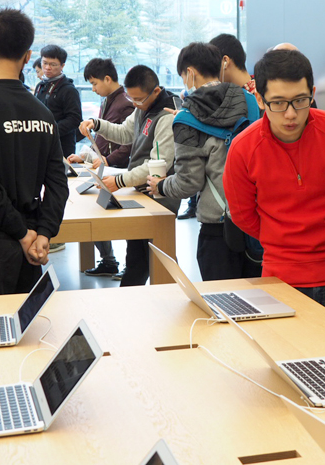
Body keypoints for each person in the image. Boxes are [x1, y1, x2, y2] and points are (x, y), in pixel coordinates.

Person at [223, 49, 325, 331]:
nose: (291, 114)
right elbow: (243, 215)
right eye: (279, 103)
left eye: (300, 101)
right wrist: (284, 240)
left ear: (313, 93)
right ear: (259, 99)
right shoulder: (243, 149)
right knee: (288, 365)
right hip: (281, 278)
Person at [0, 8, 68, 297]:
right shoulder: (43, 114)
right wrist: (43, 233)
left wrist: (22, 233)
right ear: (28, 57)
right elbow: (58, 184)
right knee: (25, 333)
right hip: (30, 243)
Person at [146, 42, 261, 281]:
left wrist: (160, 185)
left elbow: (188, 183)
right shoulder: (251, 102)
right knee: (260, 304)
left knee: (225, 305)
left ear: (190, 73)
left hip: (219, 229)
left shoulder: (186, 119)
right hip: (257, 222)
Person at [79, 65, 180, 286]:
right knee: (138, 257)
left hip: (161, 197)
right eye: (131, 98)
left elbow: (157, 165)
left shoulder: (168, 115)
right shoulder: (143, 106)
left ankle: (171, 300)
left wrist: (120, 180)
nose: (134, 104)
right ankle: (135, 298)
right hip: (142, 191)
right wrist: (97, 124)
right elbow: (125, 132)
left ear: (155, 91)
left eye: (138, 100)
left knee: (160, 256)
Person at [68, 57, 134, 278]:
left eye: (95, 83)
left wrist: (108, 160)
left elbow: (128, 142)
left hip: (119, 171)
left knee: (123, 222)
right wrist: (85, 154)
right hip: (105, 166)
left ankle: (125, 265)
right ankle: (109, 261)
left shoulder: (125, 102)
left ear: (108, 78)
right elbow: (102, 137)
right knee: (93, 211)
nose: (93, 89)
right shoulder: (108, 100)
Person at [34, 45, 82, 158]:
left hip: (61, 146)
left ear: (62, 66)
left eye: (53, 64)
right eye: (44, 63)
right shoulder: (40, 86)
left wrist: (51, 131)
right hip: (41, 143)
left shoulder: (68, 89)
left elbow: (74, 119)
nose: (47, 67)